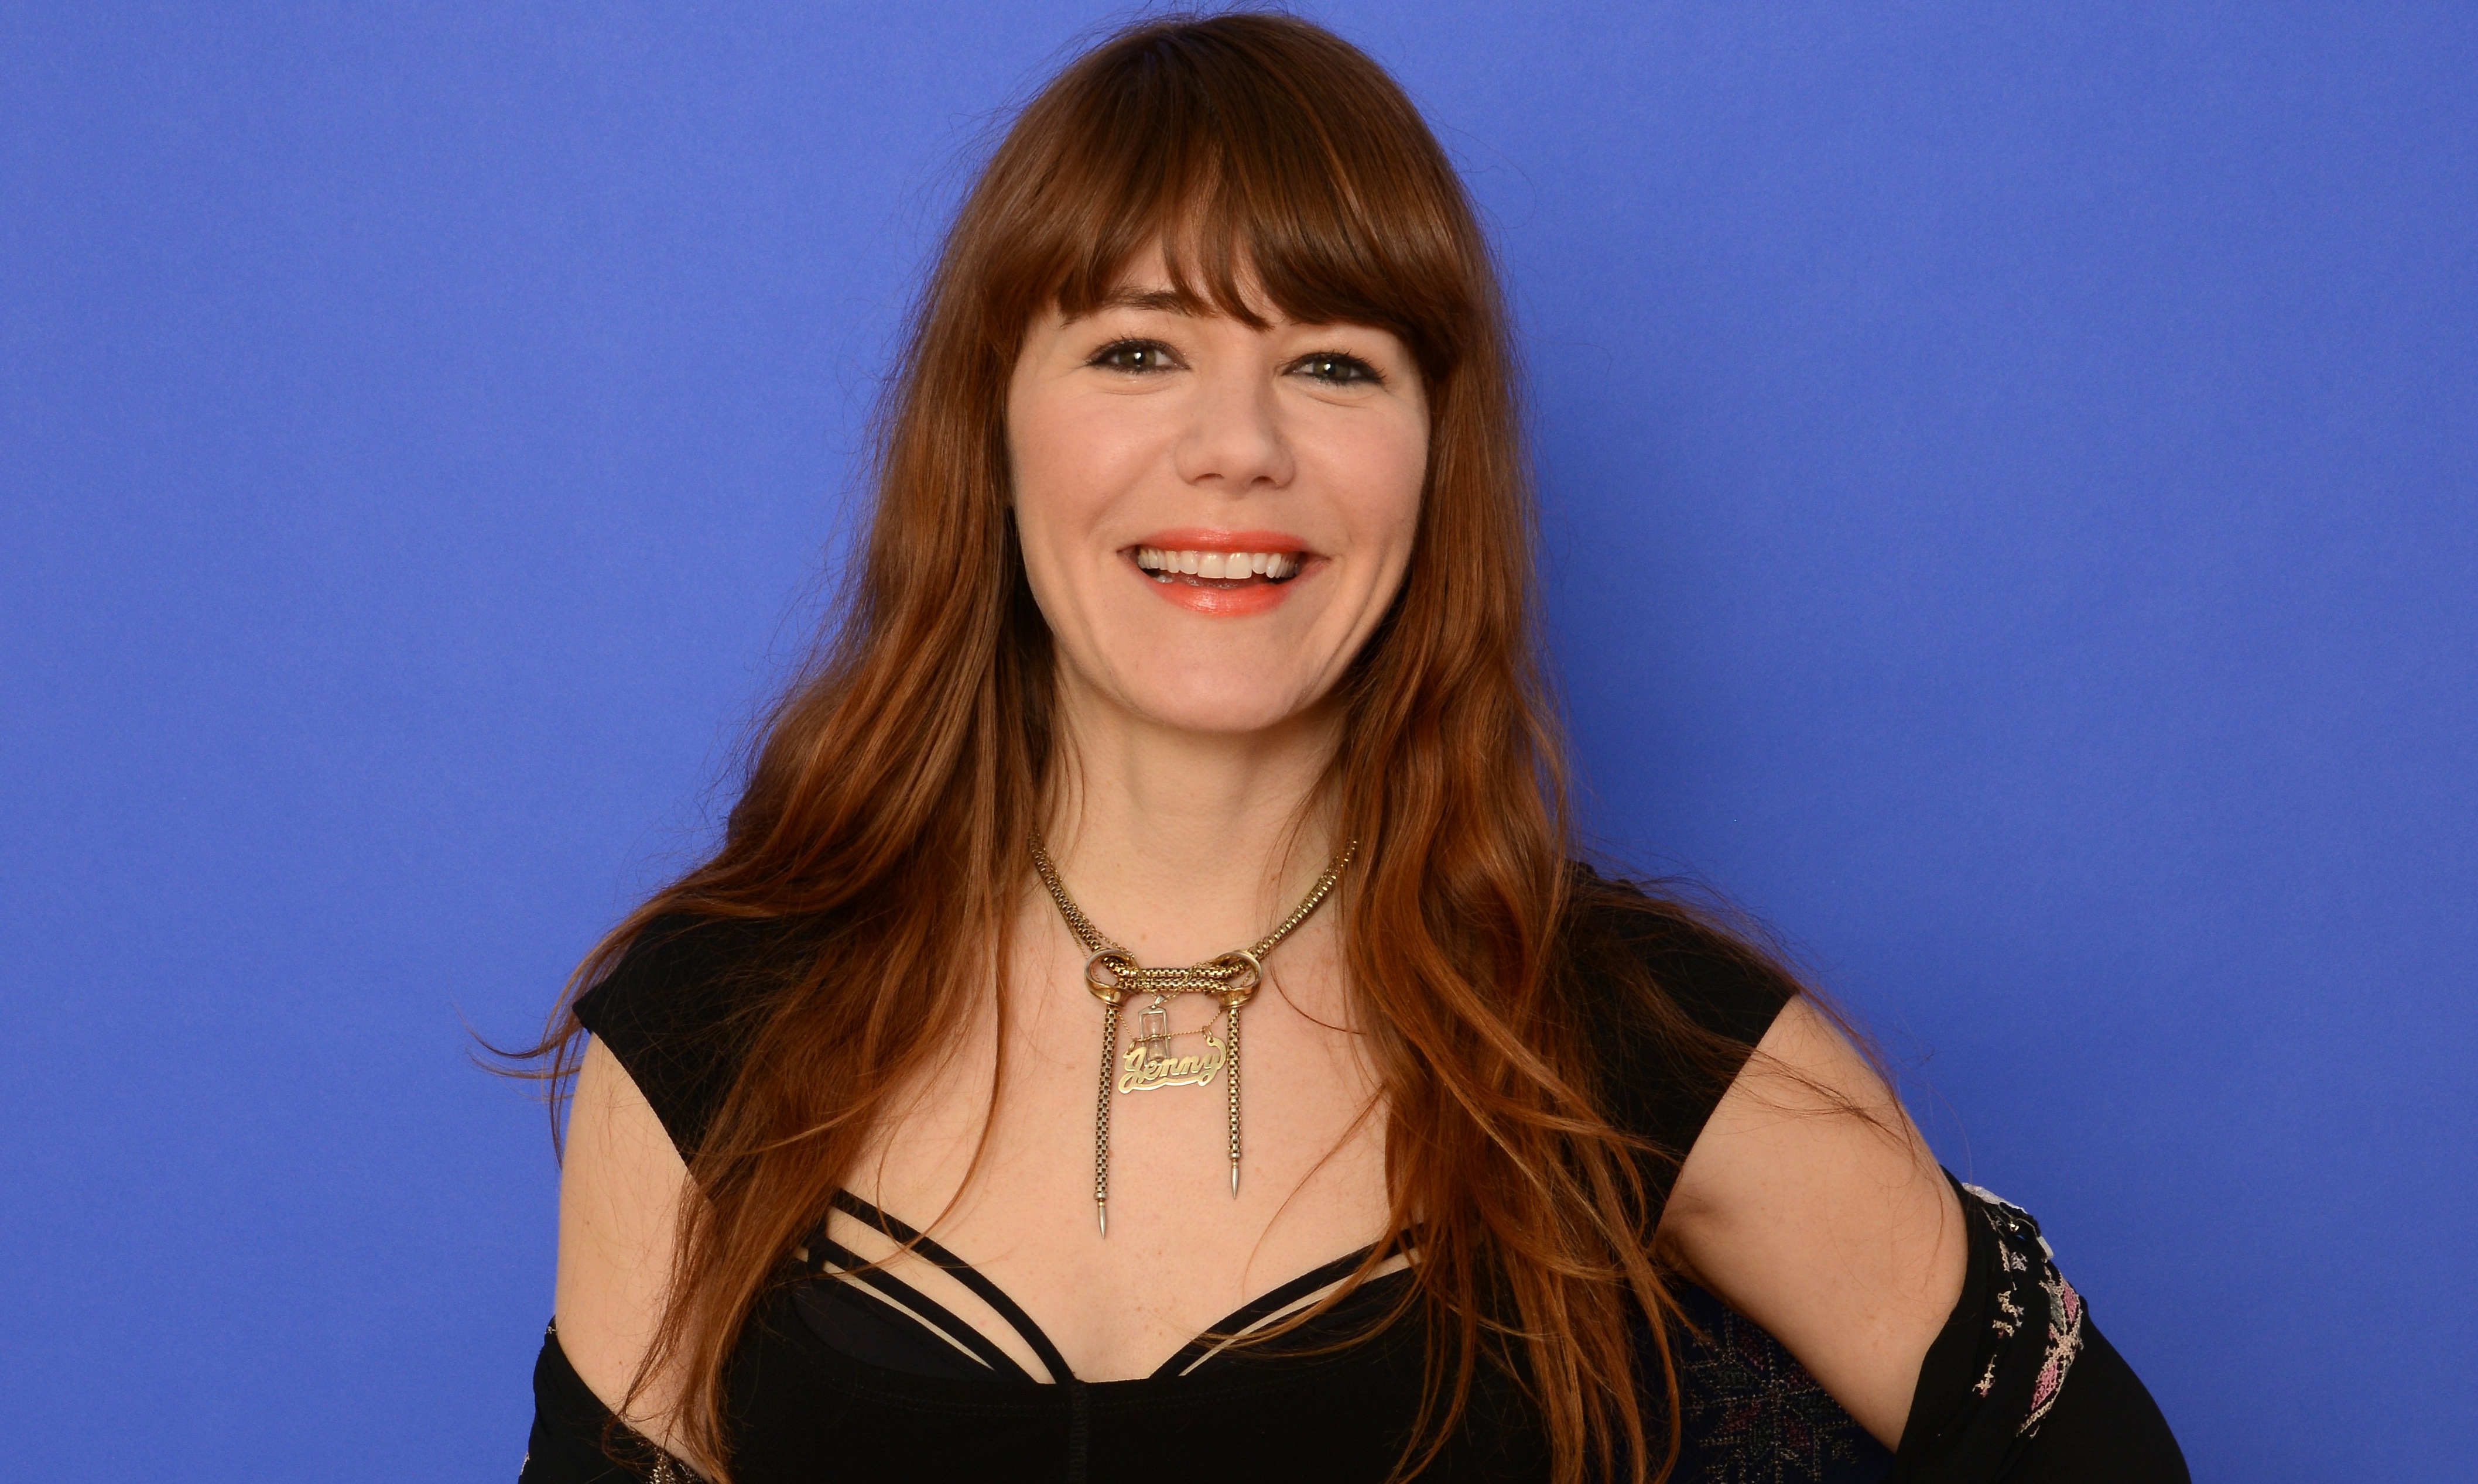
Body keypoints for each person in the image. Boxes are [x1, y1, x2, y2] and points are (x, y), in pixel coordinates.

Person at [518, 13, 2186, 1483]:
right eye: (1138, 349)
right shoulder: (714, 1035)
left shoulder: (1633, 1045)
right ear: (991, 426)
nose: (1237, 447)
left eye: (1331, 363)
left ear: (1438, 458)